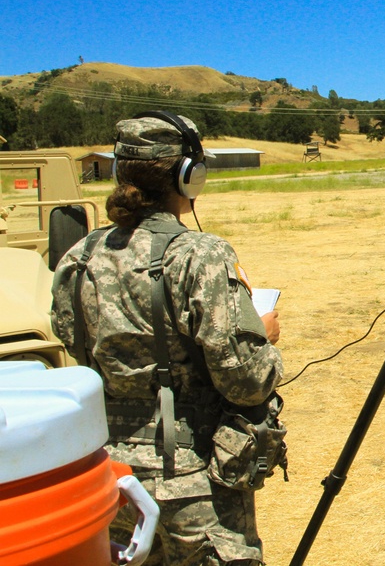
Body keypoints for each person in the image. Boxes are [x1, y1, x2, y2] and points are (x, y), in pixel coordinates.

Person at [51, 112, 284, 565]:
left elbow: (71, 345)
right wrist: (265, 335)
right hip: (191, 475)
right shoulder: (200, 254)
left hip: (108, 475)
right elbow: (247, 382)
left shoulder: (77, 257)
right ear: (188, 176)